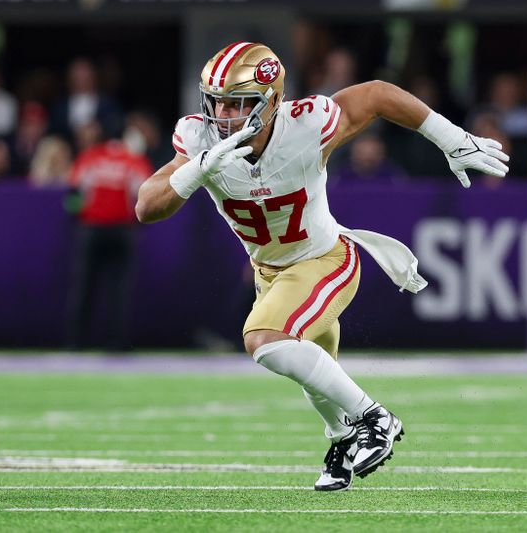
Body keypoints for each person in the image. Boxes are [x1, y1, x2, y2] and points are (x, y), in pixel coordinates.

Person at [135, 42, 508, 491]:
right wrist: (195, 169)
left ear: (270, 102)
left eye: (239, 103)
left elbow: (376, 94)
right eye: (217, 101)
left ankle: (375, 419)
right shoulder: (197, 140)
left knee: (264, 339)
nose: (225, 115)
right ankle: (342, 436)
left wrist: (449, 137)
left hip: (324, 259)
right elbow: (146, 208)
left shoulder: (305, 124)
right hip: (270, 272)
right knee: (315, 375)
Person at [65, 124, 153, 351]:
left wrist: (78, 217)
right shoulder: (133, 159)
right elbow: (146, 195)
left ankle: (76, 341)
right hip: (122, 230)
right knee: (119, 289)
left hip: (92, 229)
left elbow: (73, 194)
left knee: (84, 286)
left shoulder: (90, 157)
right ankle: (116, 341)